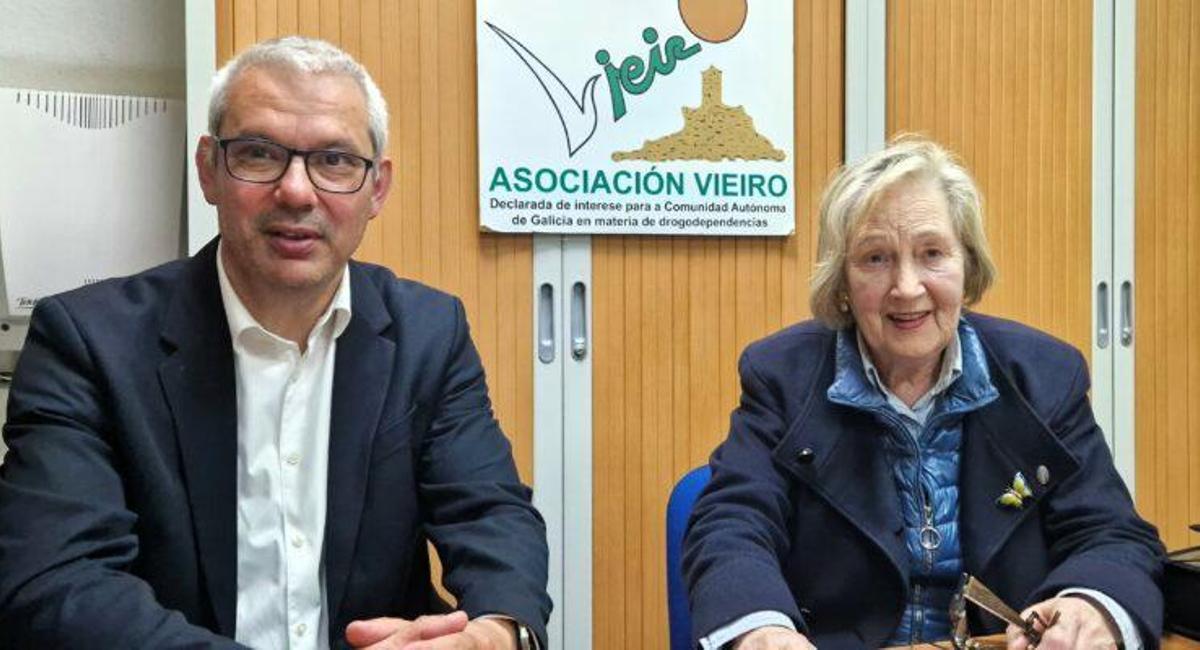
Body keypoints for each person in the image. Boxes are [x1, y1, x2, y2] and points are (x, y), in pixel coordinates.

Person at [0, 36, 549, 650]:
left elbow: (489, 512)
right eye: (259, 154)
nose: (296, 191)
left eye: (335, 160)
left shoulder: (429, 332)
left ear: (377, 189)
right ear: (209, 169)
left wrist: (497, 634)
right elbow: (59, 582)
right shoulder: (88, 342)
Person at [683, 137, 1164, 649]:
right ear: (842, 282)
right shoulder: (783, 377)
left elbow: (1112, 534)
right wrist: (761, 630)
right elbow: (731, 524)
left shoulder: (1044, 376)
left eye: (932, 253)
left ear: (967, 264)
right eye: (875, 258)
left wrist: (1091, 604)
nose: (907, 287)